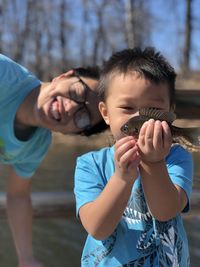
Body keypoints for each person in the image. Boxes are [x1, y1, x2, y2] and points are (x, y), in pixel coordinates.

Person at [74, 47, 193, 266]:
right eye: (127, 107)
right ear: (106, 113)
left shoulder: (177, 157)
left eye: (153, 110)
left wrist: (155, 162)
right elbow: (97, 228)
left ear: (169, 112)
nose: (141, 119)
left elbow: (165, 211)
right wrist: (121, 178)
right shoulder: (89, 165)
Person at [0, 53, 107, 267]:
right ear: (62, 76)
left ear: (72, 133)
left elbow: (18, 196)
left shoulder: (38, 144)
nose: (70, 108)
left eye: (83, 117)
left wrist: (26, 258)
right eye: (77, 92)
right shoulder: (4, 76)